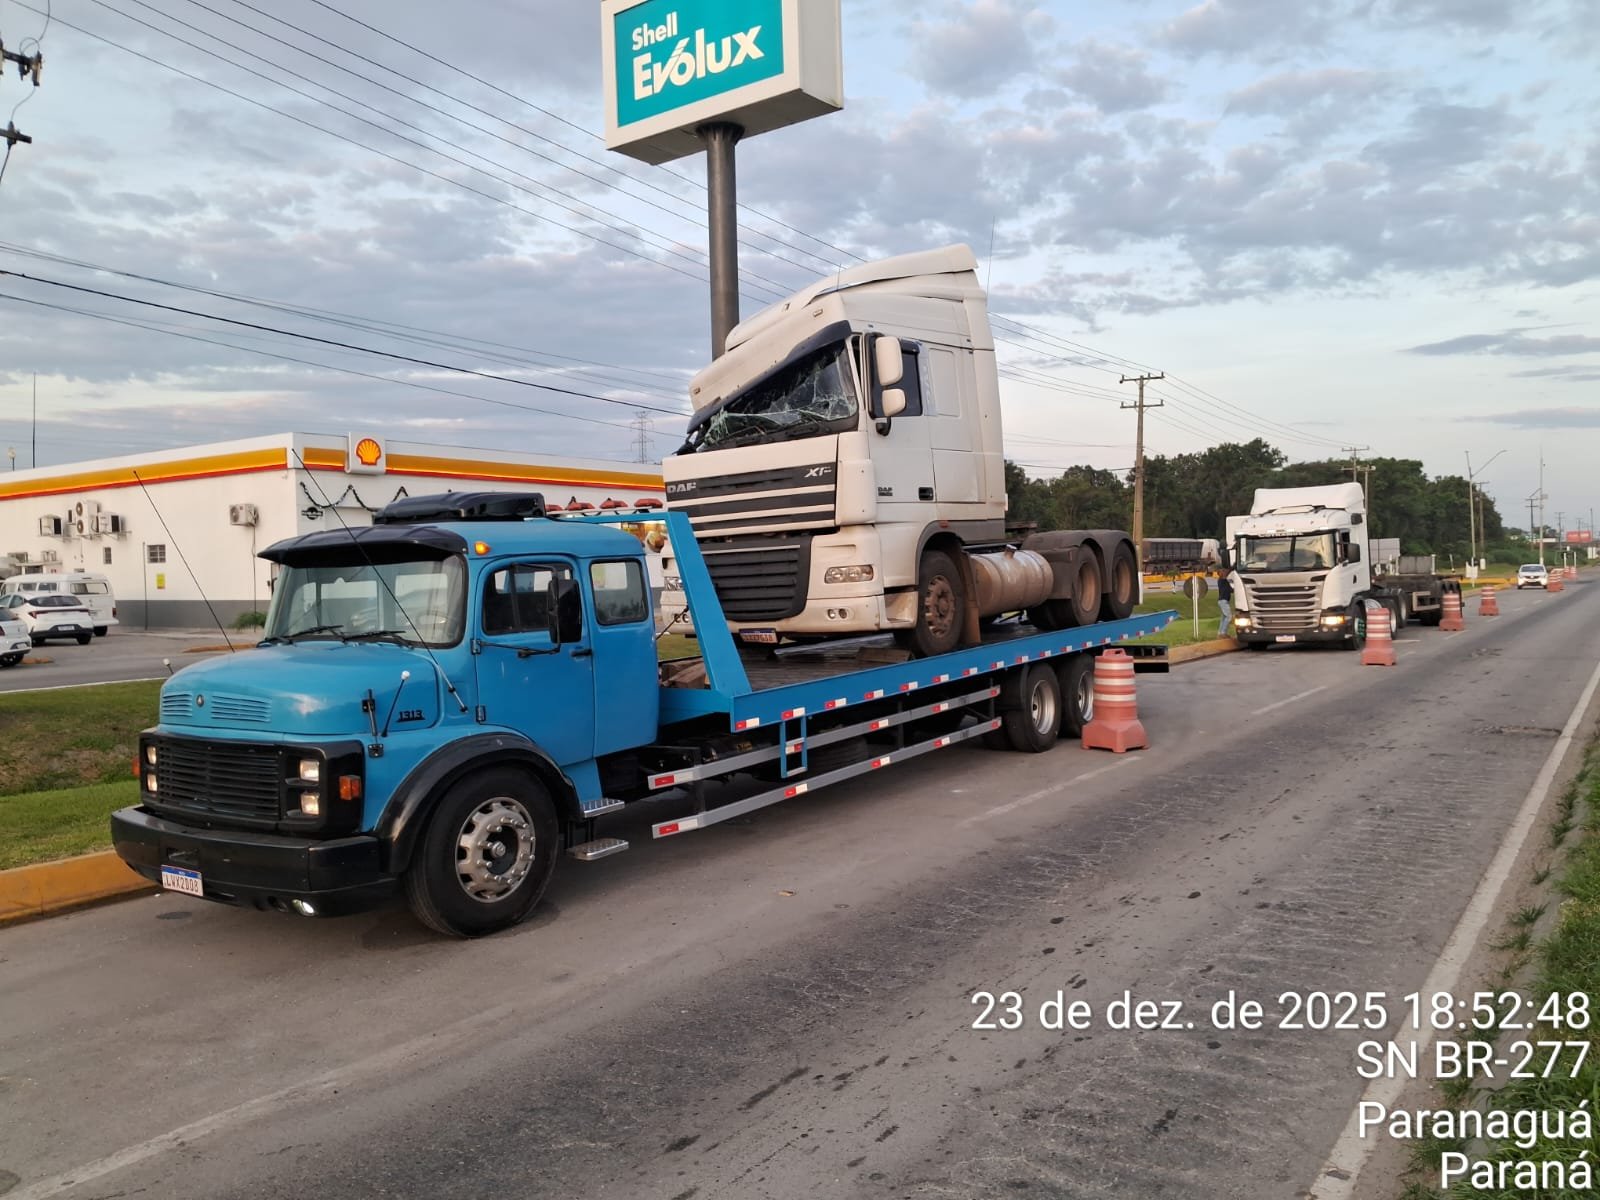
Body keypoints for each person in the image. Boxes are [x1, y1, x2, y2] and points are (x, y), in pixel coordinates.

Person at [1217, 571, 1234, 637]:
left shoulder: (1226, 582)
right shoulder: (1221, 580)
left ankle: (1220, 633)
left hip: (1223, 601)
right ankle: (1223, 633)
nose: (1224, 573)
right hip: (1223, 601)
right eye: (1222, 572)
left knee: (1223, 618)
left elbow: (1231, 590)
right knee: (1229, 616)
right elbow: (1226, 573)